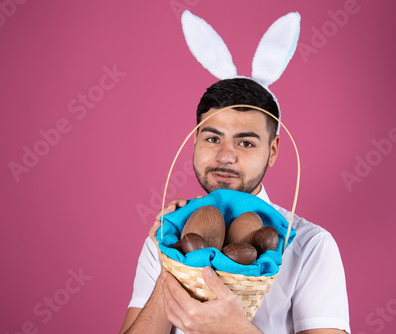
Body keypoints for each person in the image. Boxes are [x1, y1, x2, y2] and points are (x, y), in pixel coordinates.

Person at [120, 78, 350, 334]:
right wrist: (173, 266)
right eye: (212, 139)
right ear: (195, 141)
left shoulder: (311, 245)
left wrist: (233, 329)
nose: (225, 156)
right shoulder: (167, 235)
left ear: (272, 151)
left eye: (246, 143)